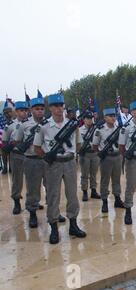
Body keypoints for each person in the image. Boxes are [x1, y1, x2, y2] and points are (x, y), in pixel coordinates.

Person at [33, 93, 86, 245]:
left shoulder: (72, 124)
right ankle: (54, 228)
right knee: (53, 196)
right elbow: (37, 148)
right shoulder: (43, 126)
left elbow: (78, 144)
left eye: (61, 105)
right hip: (53, 164)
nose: (58, 109)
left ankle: (73, 224)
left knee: (72, 194)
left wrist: (70, 154)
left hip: (69, 163)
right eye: (55, 106)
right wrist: (49, 157)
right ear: (50, 108)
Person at [14, 97, 47, 227]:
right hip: (32, 159)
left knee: (51, 186)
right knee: (33, 188)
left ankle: (53, 211)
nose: (40, 111)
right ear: (31, 110)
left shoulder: (48, 123)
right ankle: (32, 213)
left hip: (46, 159)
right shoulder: (24, 125)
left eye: (42, 109)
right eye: (37, 109)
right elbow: (17, 141)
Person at [92, 108, 126, 213]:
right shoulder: (99, 129)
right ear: (105, 118)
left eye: (114, 116)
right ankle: (105, 201)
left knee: (116, 180)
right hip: (106, 158)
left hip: (117, 156)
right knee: (105, 181)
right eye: (110, 116)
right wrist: (102, 154)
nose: (113, 118)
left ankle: (117, 199)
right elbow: (94, 146)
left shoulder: (119, 128)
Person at [3, 101, 29, 215]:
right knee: (17, 180)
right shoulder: (10, 126)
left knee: (33, 180)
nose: (24, 113)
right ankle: (17, 202)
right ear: (16, 112)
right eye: (21, 111)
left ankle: (33, 201)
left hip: (30, 156)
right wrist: (12, 144)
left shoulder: (32, 124)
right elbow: (4, 143)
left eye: (25, 110)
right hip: (16, 155)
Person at [78, 111, 101, 202]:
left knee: (94, 174)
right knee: (84, 174)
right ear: (84, 120)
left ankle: (93, 191)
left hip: (94, 154)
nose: (90, 120)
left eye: (91, 118)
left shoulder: (96, 129)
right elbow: (78, 143)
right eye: (88, 118)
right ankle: (84, 192)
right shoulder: (80, 130)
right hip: (85, 154)